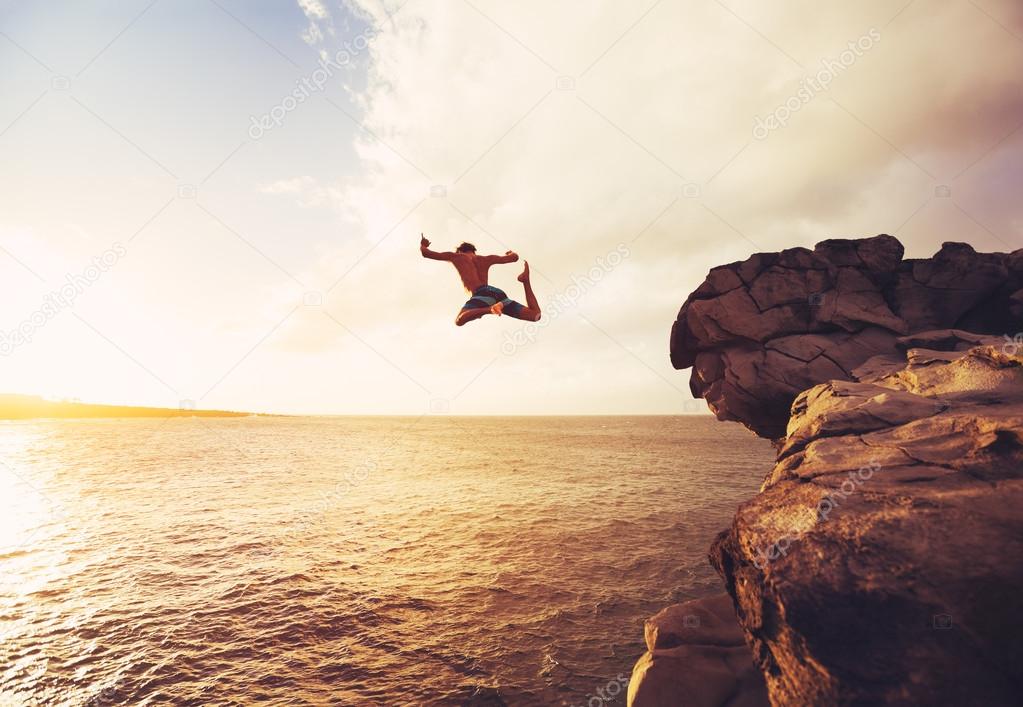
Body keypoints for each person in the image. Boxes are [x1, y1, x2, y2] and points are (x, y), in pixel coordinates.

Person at [420, 234, 541, 326]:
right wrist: (511, 253)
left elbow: (426, 253)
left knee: (460, 320)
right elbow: (514, 257)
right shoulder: (486, 259)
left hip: (482, 293)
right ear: (473, 251)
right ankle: (526, 281)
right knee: (535, 315)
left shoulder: (456, 256)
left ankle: (491, 309)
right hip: (498, 294)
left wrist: (423, 244)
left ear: (460, 251)